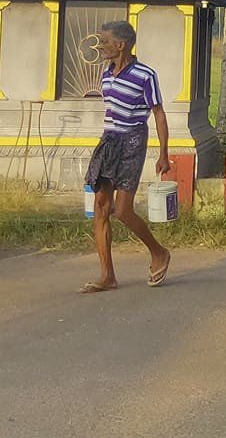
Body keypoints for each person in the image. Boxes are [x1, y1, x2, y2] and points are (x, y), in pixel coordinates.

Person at [79, 21, 173, 293]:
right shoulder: (106, 74)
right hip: (109, 139)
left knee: (122, 210)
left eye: (105, 42)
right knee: (100, 206)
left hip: (132, 140)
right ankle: (107, 275)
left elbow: (159, 114)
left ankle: (158, 252)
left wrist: (163, 153)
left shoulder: (145, 75)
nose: (101, 46)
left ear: (120, 45)